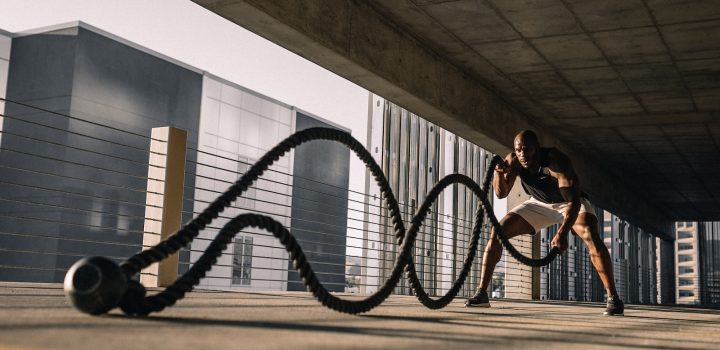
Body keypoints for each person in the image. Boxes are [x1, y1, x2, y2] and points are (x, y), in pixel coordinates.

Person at [465, 130, 624, 316]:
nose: (523, 154)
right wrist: (499, 175)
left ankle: (613, 298)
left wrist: (562, 233)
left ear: (537, 149)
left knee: (590, 234)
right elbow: (501, 194)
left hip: (569, 203)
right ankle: (482, 293)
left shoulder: (556, 161)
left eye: (527, 149)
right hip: (539, 203)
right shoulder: (514, 160)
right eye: (519, 150)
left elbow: (573, 202)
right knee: (498, 231)